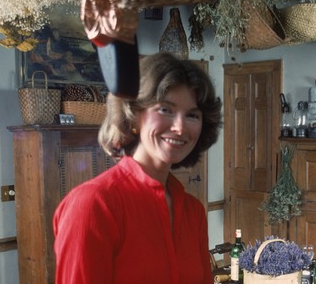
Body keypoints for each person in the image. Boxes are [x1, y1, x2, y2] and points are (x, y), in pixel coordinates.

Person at [53, 52, 222, 283]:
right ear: (134, 115)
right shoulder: (93, 205)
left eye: (192, 115)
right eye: (166, 110)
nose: (180, 128)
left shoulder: (194, 213)